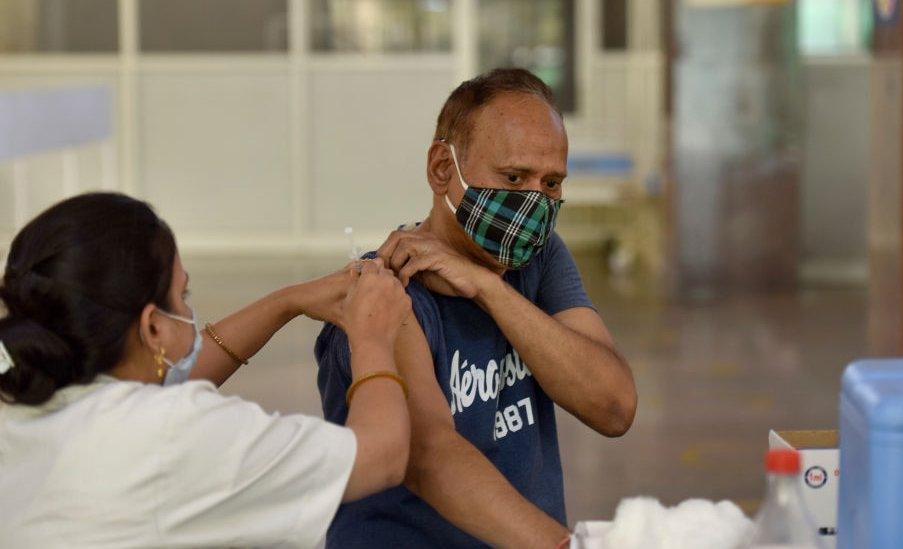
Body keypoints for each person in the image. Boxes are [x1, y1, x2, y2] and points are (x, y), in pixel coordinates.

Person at [316, 68, 638, 547]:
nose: (533, 202)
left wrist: (489, 289)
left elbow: (612, 406)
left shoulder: (539, 257)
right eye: (513, 177)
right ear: (443, 169)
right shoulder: (384, 289)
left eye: (551, 184)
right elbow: (429, 454)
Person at [0, 192, 412, 548]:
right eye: (182, 294)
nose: (188, 309)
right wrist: (372, 335)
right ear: (152, 326)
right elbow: (381, 457)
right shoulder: (171, 435)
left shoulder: (22, 388)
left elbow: (158, 399)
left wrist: (287, 302)